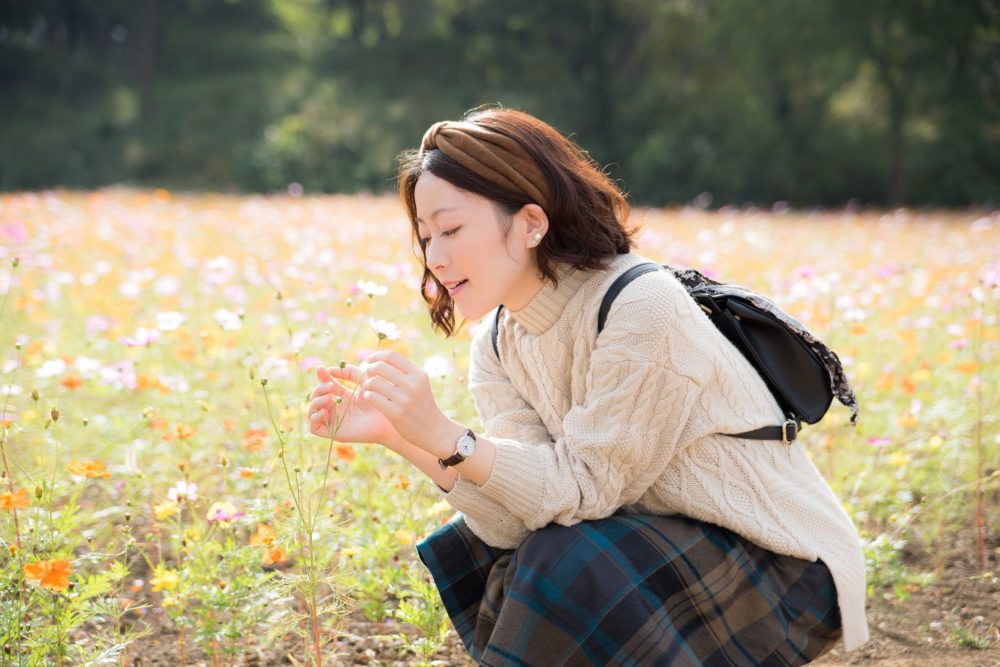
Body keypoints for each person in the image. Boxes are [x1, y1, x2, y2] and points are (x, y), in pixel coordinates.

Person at [307, 107, 868, 666]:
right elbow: (513, 520)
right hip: (657, 546)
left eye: (451, 229)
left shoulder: (640, 305)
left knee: (567, 559)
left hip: (779, 563)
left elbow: (582, 490)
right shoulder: (500, 342)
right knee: (504, 548)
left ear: (531, 222)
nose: (435, 257)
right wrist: (406, 437)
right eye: (426, 236)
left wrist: (446, 432)